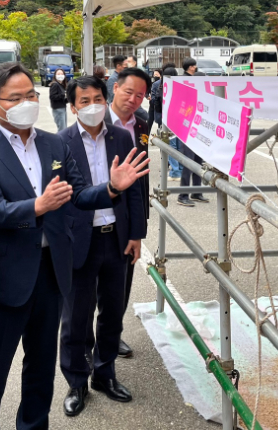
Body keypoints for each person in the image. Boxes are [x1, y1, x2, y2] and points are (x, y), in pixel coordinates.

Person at [0, 62, 149, 430]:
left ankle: (33, 424)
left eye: (30, 95)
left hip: (51, 269)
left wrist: (112, 188)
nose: (26, 103)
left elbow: (79, 194)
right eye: (15, 98)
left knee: (41, 365)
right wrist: (38, 206)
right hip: (4, 276)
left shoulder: (51, 143)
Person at [59, 76, 146, 417]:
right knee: (76, 316)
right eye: (84, 100)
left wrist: (136, 234)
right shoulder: (60, 143)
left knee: (112, 312)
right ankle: (76, 380)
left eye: (98, 97)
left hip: (117, 237)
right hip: (80, 240)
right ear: (72, 106)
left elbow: (135, 190)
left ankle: (104, 374)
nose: (93, 105)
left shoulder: (122, 137)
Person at [105, 67, 151, 359]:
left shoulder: (143, 123)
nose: (133, 99)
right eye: (128, 92)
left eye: (140, 95)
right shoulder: (94, 119)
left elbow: (142, 174)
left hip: (129, 215)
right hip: (94, 214)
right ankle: (86, 345)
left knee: (121, 284)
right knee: (86, 291)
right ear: (115, 89)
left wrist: (139, 227)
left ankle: (113, 333)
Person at [177, 58, 208, 207]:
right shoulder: (187, 95)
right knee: (188, 164)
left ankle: (196, 192)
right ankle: (183, 195)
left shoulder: (202, 96)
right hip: (188, 133)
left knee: (198, 163)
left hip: (199, 134)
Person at [147, 69, 163, 134]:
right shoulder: (151, 83)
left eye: (157, 74)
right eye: (154, 75)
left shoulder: (160, 83)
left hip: (158, 107)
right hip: (152, 106)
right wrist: (147, 96)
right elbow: (146, 91)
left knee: (160, 123)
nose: (155, 76)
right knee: (149, 122)